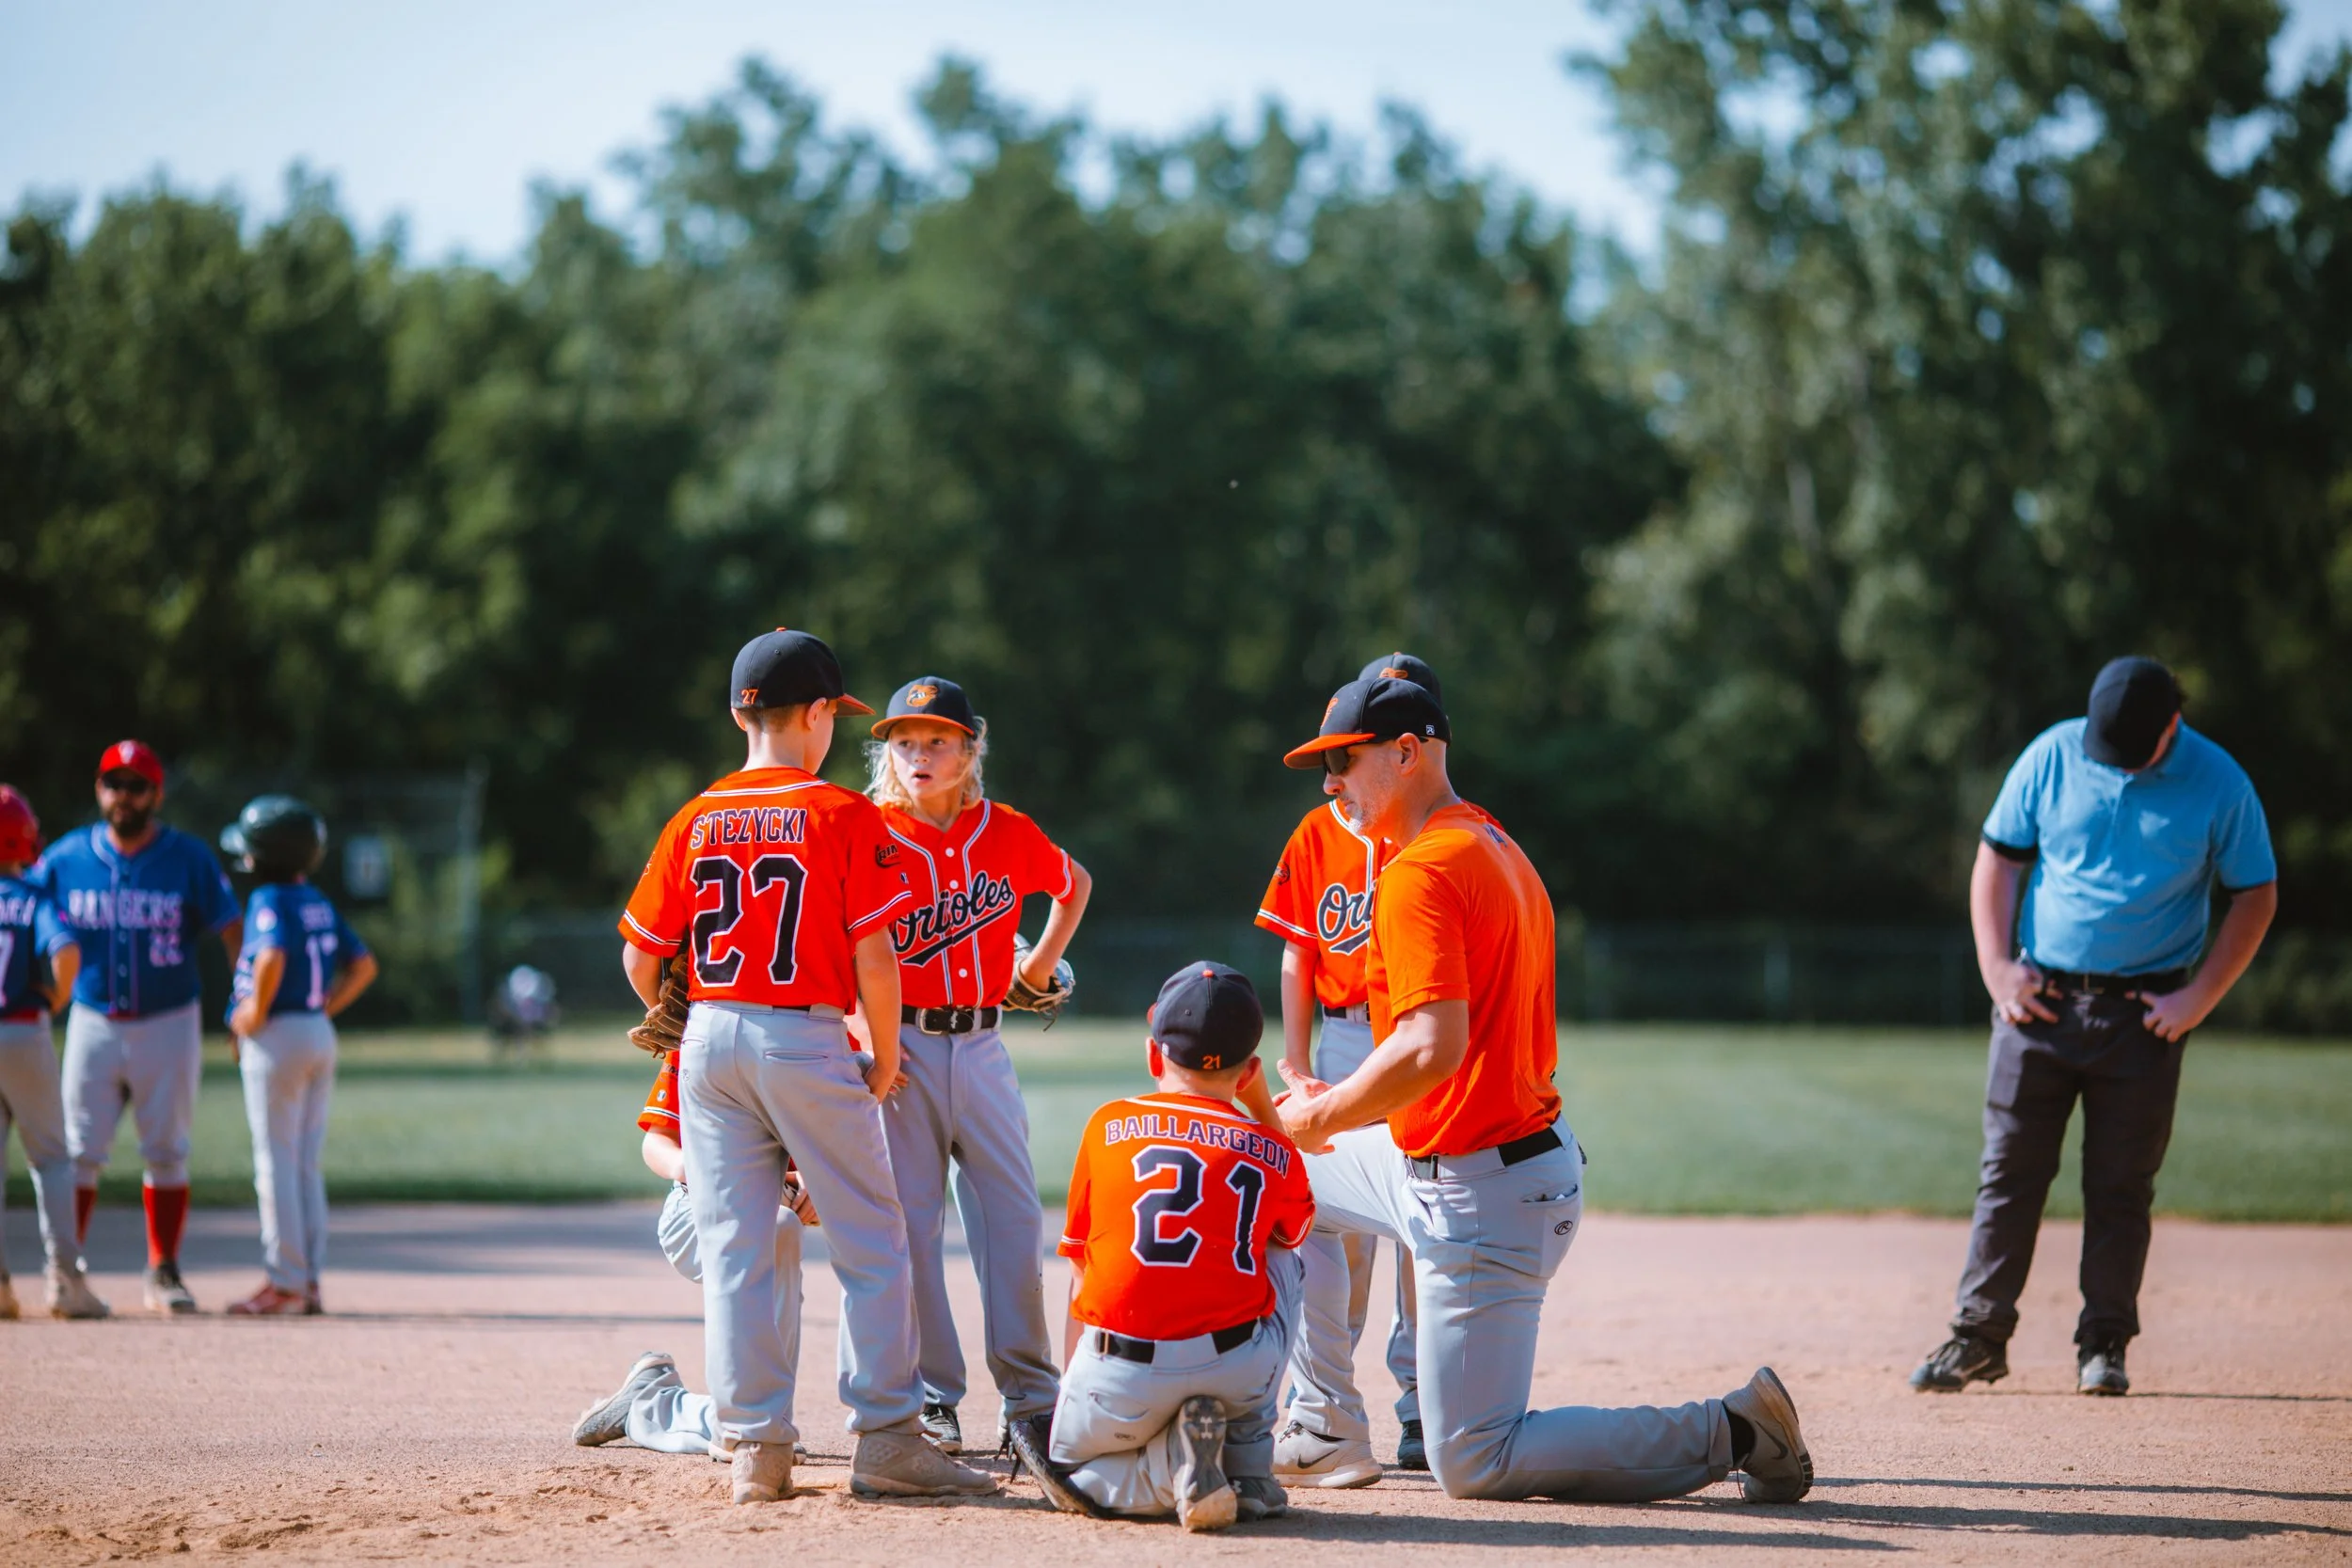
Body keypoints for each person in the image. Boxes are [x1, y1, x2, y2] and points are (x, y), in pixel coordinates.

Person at [1272, 673, 1812, 1503]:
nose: (1330, 782)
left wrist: (1325, 1110)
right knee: (1270, 1161)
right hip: (1480, 1160)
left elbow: (1428, 1048)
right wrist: (1302, 1125)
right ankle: (1324, 1422)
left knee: (1475, 1460)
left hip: (1482, 1194)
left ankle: (1737, 1428)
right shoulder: (1490, 838)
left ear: (1407, 753)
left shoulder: (1421, 871)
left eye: (1345, 758)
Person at [617, 627, 996, 1505]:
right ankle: (889, 1437)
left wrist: (676, 1010)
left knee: (739, 1245)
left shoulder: (696, 813)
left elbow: (641, 959)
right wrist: (889, 1056)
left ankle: (756, 1448)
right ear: (819, 714)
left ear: (739, 712)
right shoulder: (842, 813)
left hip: (709, 1041)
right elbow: (875, 955)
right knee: (876, 1237)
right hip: (805, 1034)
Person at [1911, 657, 2278, 1399]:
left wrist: (2199, 998)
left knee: (2120, 1187)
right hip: (2039, 1003)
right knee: (2008, 1176)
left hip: (2145, 1016)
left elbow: (2256, 895)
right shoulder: (2054, 752)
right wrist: (1995, 966)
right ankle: (1978, 1336)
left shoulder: (2220, 782)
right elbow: (1998, 859)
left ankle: (2103, 1344)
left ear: (2172, 723)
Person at [864, 675, 1092, 1459]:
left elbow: (1073, 885)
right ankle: (934, 1396)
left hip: (985, 1043)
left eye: (935, 740)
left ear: (971, 747)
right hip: (905, 1050)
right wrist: (872, 1044)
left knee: (1014, 1221)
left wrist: (1038, 969)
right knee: (912, 1229)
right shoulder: (870, 833)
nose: (918, 754)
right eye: (903, 741)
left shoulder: (1007, 830)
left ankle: (1030, 1396)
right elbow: (843, 947)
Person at [1030, 962, 1313, 1531]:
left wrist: (1074, 1389)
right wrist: (1262, 1110)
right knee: (1285, 1251)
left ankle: (1172, 1467)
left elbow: (1083, 1273)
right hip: (1237, 1368)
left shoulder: (1107, 1124)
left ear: (1154, 1055)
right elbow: (1292, 1225)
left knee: (1070, 1470)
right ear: (1249, 1072)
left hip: (1121, 1375)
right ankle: (1249, 1465)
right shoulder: (1270, 1150)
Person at [1254, 652, 1436, 1484]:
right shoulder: (1322, 828)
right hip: (1340, 1035)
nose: (1334, 776)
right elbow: (1297, 950)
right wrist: (1295, 1056)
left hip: (1416, 1031)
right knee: (1333, 1218)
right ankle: (1325, 1401)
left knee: (1418, 1225)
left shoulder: (1436, 835)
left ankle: (1420, 1404)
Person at [32, 740, 242, 1315]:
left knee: (168, 1151)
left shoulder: (189, 858)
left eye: (136, 784)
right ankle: (65, 1273)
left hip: (170, 1018)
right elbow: (19, 911)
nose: (123, 795)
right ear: (99, 790)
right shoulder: (66, 857)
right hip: (93, 1018)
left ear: (157, 793)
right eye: (113, 783)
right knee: (78, 1152)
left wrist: (243, 999)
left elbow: (231, 927)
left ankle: (164, 1270)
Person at [571, 1046, 819, 1459]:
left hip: (774, 1209)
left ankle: (665, 1405)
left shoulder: (816, 1043)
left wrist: (814, 1181)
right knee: (777, 1227)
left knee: (781, 1229)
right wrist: (701, 1170)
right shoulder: (702, 1039)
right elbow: (657, 1145)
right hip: (694, 1208)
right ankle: (748, 1423)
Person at [219, 797, 380, 1316]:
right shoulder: (315, 899)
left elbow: (271, 954)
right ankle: (306, 1281)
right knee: (305, 1165)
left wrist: (253, 1011)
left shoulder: (269, 897)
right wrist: (324, 1005)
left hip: (279, 1036)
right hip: (314, 1030)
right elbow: (363, 965)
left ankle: (285, 1284)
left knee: (276, 1164)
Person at [0, 785, 109, 1320]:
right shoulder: (31, 896)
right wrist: (57, 997)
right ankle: (66, 1280)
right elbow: (65, 950)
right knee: (50, 1157)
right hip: (22, 1030)